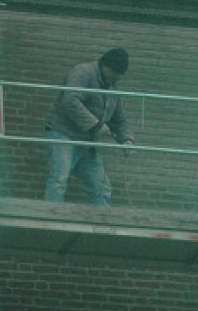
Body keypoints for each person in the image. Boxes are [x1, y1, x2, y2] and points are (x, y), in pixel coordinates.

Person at [43, 47, 134, 205]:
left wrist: (126, 139)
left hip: (86, 144)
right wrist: (96, 125)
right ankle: (50, 222)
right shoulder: (82, 73)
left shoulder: (112, 86)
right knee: (59, 180)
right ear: (106, 66)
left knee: (102, 187)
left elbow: (119, 119)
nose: (115, 81)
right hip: (63, 135)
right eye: (114, 76)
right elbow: (71, 100)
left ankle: (102, 226)